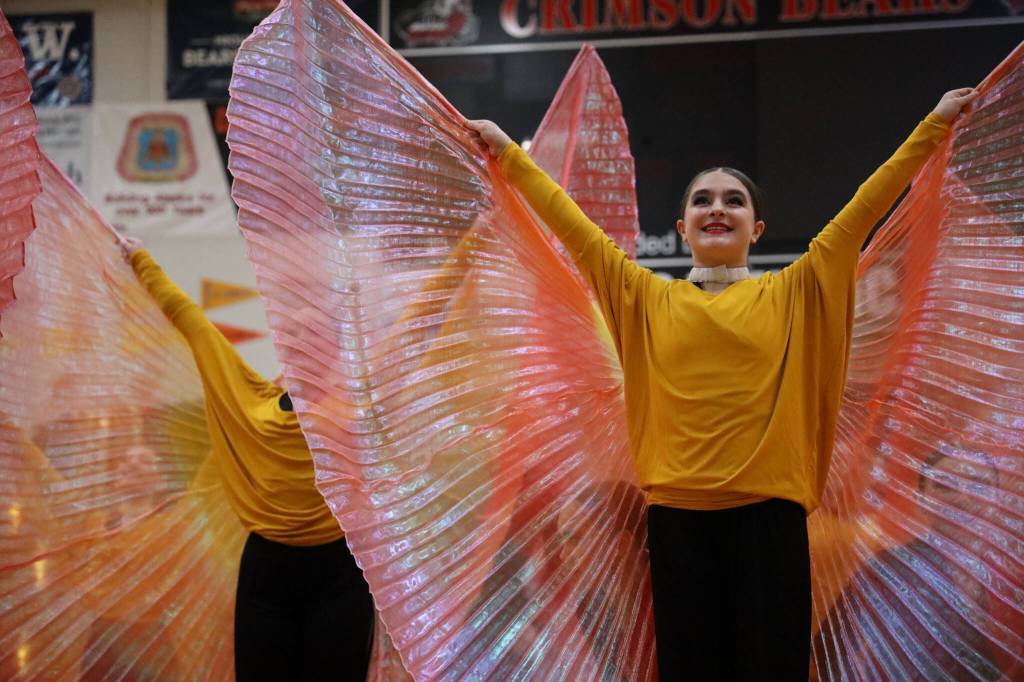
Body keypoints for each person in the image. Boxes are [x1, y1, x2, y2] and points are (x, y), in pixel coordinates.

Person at [467, 87, 978, 679]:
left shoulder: (796, 289)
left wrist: (935, 124)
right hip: (677, 526)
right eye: (702, 200)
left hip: (770, 525)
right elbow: (570, 224)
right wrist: (509, 153)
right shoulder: (641, 296)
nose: (717, 208)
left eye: (733, 201)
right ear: (682, 225)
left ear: (756, 228)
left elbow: (868, 205)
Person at [119, 238, 374, 681]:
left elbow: (423, 319)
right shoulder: (249, 398)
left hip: (340, 572)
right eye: (289, 334)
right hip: (268, 575)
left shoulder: (359, 404)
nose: (296, 342)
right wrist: (140, 259)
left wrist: (479, 236)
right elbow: (192, 322)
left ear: (335, 347)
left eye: (310, 334)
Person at [811, 449, 1002, 681]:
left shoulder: (1012, 581)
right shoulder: (888, 569)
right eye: (945, 486)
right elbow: (827, 654)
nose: (963, 498)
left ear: (998, 500)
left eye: (978, 485)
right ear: (921, 500)